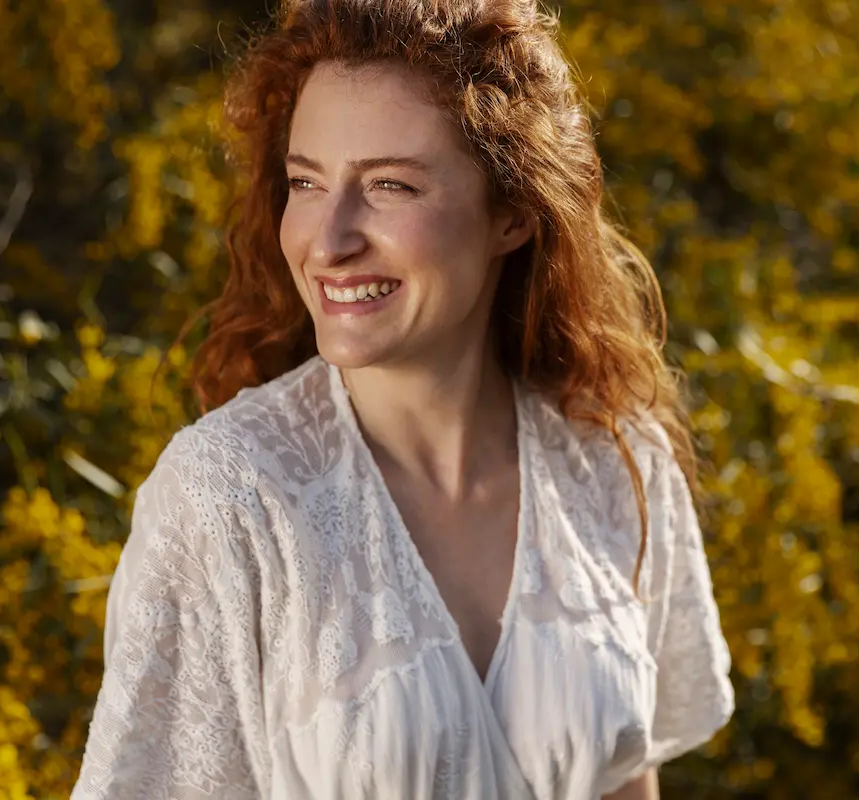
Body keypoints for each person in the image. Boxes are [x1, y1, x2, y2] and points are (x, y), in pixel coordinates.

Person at [71, 0, 734, 797]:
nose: (328, 239)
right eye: (306, 181)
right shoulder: (229, 498)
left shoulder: (613, 458)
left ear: (514, 213)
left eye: (390, 185)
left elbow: (628, 779)